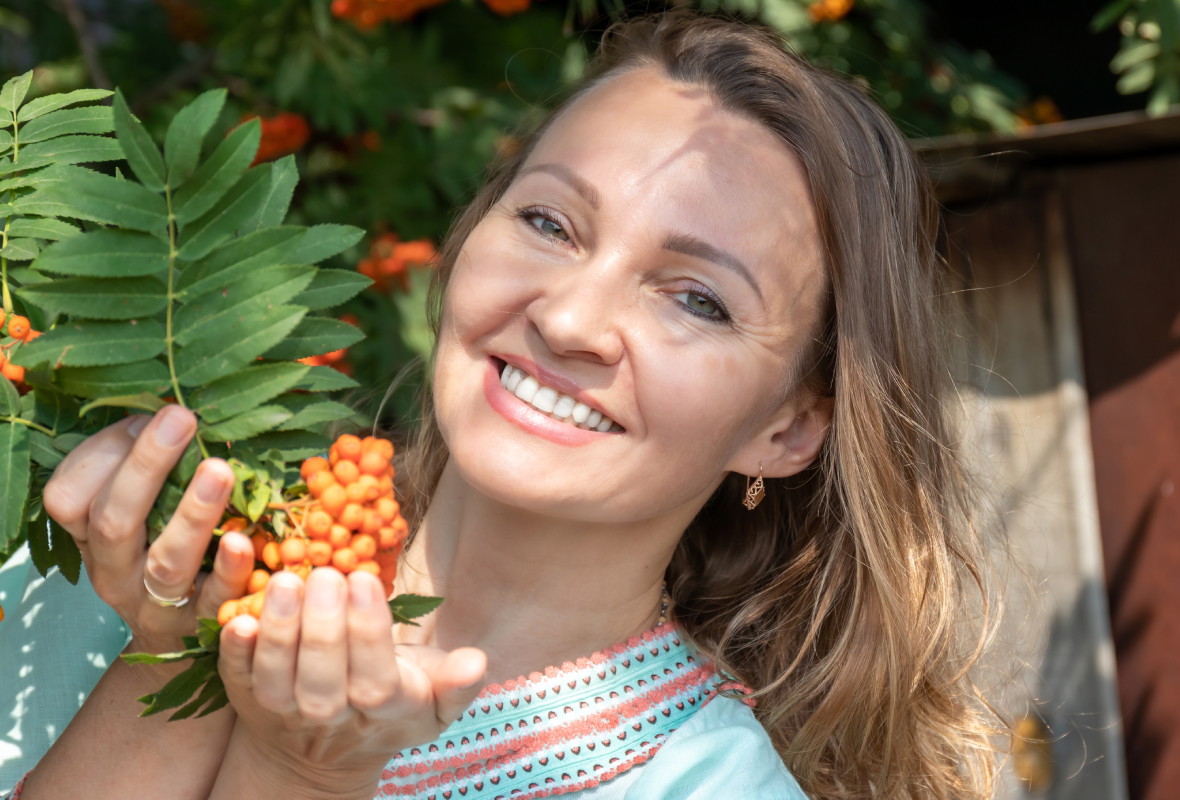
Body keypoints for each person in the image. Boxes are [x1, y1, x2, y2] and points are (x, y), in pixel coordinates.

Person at [5, 10, 999, 800]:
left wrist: (303, 773)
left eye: (697, 298)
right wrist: (167, 660)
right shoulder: (127, 567)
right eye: (549, 221)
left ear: (789, 427)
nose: (569, 318)